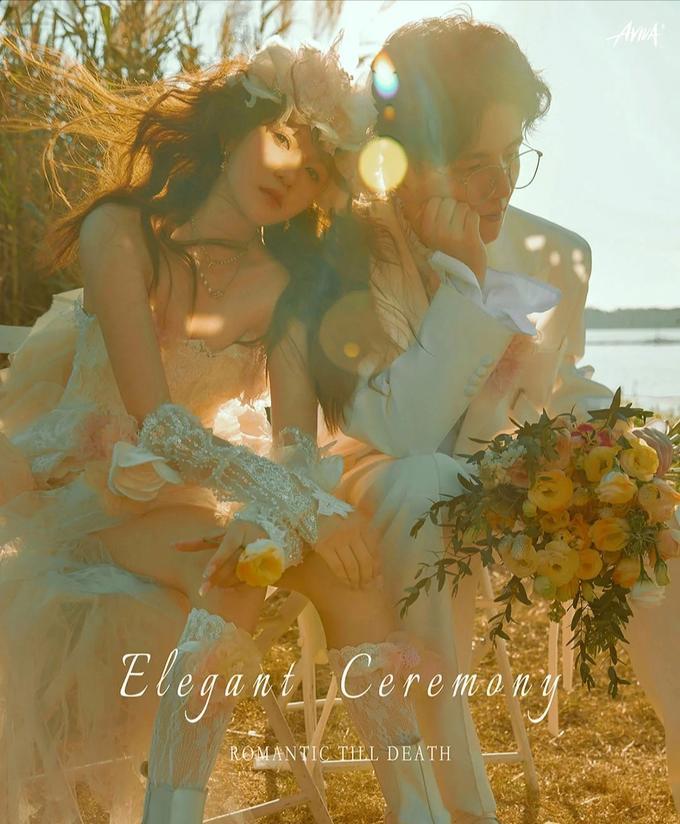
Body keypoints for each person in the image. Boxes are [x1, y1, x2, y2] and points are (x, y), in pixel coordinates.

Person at [207, 13, 674, 823]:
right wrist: (466, 283)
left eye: (513, 158)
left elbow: (555, 387)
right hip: (374, 488)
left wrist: (628, 440)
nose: (500, 188)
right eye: (472, 166)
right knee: (424, 485)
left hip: (504, 480)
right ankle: (455, 809)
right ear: (408, 161)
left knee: (659, 521)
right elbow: (396, 432)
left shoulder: (556, 253)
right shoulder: (336, 256)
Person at [0, 40, 449, 824]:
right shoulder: (122, 230)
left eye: (316, 169)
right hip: (79, 493)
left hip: (191, 496)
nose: (291, 173)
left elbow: (295, 441)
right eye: (282, 141)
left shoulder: (287, 286)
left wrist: (272, 515)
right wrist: (300, 508)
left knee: (336, 576)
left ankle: (422, 812)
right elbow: (158, 423)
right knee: (232, 569)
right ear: (237, 129)